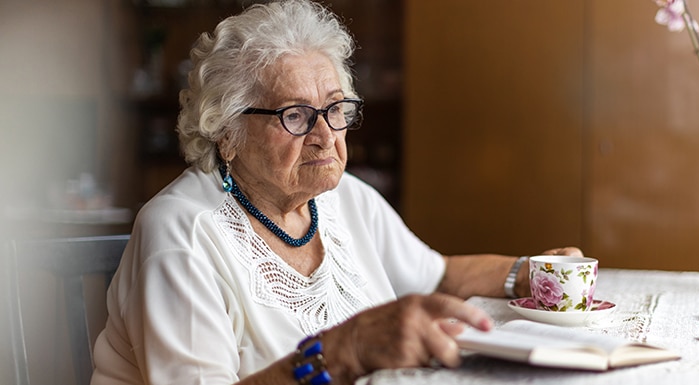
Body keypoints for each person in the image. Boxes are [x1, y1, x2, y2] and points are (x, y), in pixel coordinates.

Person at [90, 1, 583, 384]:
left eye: (335, 109)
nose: (326, 135)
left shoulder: (344, 197)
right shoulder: (183, 232)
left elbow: (439, 276)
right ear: (226, 131)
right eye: (295, 116)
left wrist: (534, 276)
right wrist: (345, 350)